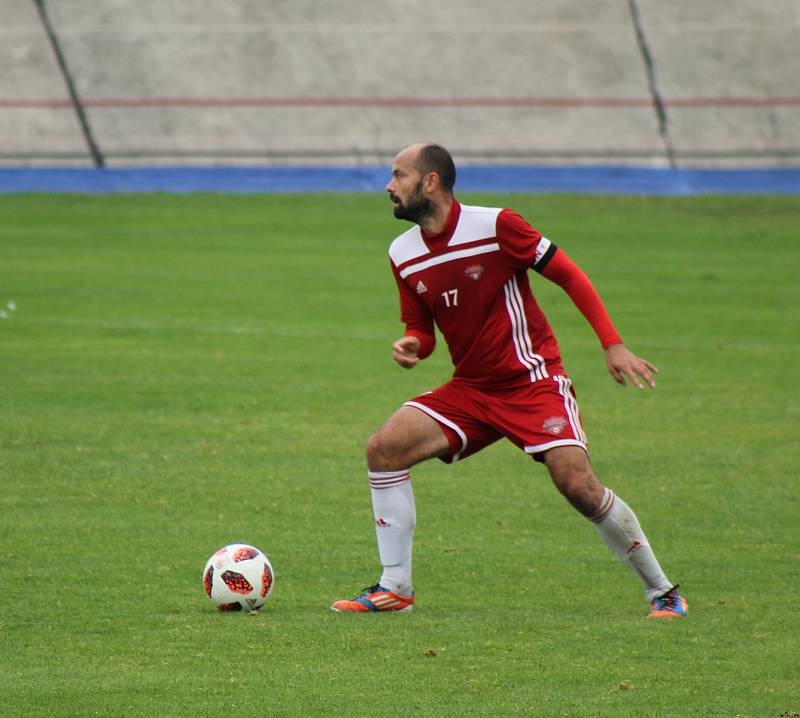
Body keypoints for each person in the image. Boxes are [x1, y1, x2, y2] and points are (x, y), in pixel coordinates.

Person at [331, 143, 687, 618]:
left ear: (431, 182)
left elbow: (569, 275)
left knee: (577, 484)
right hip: (472, 390)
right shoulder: (403, 253)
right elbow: (422, 329)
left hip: (533, 382)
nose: (389, 187)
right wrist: (415, 346)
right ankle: (395, 588)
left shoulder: (497, 226)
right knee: (384, 448)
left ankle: (662, 592)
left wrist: (612, 343)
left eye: (399, 176)